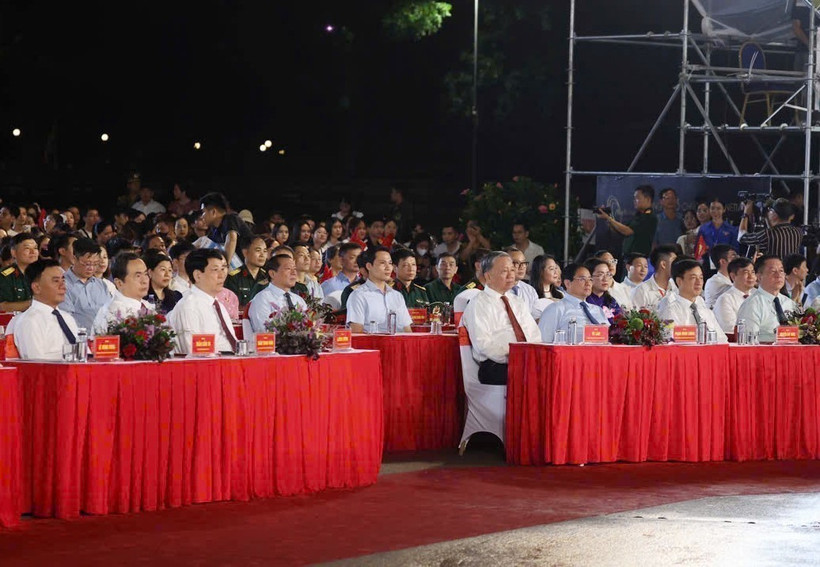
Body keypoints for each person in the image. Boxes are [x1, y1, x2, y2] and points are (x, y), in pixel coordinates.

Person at [462, 251, 541, 385]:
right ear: (488, 276)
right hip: (495, 365)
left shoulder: (517, 301)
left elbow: (534, 334)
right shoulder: (478, 303)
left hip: (525, 360)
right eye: (505, 271)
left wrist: (531, 355)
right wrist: (516, 357)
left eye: (512, 269)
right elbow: (483, 345)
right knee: (533, 377)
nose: (511, 275)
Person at [167, 248, 238, 353]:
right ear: (197, 275)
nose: (222, 275)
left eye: (223, 269)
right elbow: (194, 354)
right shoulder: (189, 307)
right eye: (215, 270)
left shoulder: (217, 304)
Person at [13, 259, 80, 360]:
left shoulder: (68, 318)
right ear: (36, 287)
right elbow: (36, 362)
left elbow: (82, 353)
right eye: (56, 281)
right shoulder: (30, 321)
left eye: (63, 280)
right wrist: (68, 356)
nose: (63, 286)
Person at [657, 259, 728, 343]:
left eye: (701, 278)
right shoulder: (669, 307)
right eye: (693, 278)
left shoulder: (704, 309)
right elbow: (669, 338)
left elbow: (722, 339)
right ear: (679, 281)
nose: (699, 282)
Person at [346, 247, 413, 333]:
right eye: (382, 263)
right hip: (372, 345)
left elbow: (407, 330)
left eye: (390, 263)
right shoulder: (358, 296)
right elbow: (356, 333)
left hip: (397, 344)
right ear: (369, 266)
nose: (388, 267)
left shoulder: (397, 296)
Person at [539, 263, 609, 343]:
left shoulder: (598, 310)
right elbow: (543, 343)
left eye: (590, 279)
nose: (588, 283)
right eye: (582, 279)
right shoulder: (555, 309)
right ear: (568, 283)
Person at [736, 255, 798, 344]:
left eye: (781, 271)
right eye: (773, 271)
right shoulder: (752, 305)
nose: (778, 275)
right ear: (759, 277)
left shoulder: (789, 303)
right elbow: (748, 342)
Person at [92, 252, 153, 334]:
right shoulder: (113, 313)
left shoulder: (147, 306)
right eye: (138, 276)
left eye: (146, 274)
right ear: (119, 283)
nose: (145, 281)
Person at [59, 237, 111, 331]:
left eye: (95, 264)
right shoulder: (62, 285)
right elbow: (66, 319)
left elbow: (111, 312)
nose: (91, 268)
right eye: (87, 264)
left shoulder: (101, 285)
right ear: (74, 259)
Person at [248, 254, 308, 333]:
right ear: (272, 274)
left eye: (295, 269)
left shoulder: (299, 300)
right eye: (288, 269)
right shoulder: (262, 299)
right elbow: (263, 331)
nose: (294, 273)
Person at [198, 192, 254, 270]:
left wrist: (225, 266)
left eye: (203, 212)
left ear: (213, 212)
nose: (202, 216)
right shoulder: (214, 230)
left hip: (250, 271)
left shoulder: (231, 219)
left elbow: (231, 239)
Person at [597, 185, 657, 256]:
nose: (634, 201)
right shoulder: (638, 216)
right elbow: (620, 231)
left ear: (648, 199)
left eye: (637, 198)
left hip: (639, 258)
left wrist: (609, 218)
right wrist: (608, 219)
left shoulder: (649, 217)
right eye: (634, 198)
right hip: (628, 257)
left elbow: (627, 231)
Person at [738, 198, 804, 261]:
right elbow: (775, 232)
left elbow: (741, 237)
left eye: (770, 210)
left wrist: (745, 214)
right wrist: (767, 218)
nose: (768, 212)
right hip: (790, 271)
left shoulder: (768, 234)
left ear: (775, 215)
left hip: (774, 270)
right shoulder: (798, 232)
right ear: (791, 216)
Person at [714, 257, 757, 333]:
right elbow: (730, 328)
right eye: (746, 273)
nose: (751, 277)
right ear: (733, 276)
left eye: (753, 272)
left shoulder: (757, 296)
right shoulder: (725, 299)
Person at [224, 235, 269, 307]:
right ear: (245, 253)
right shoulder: (234, 278)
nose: (262, 255)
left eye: (265, 251)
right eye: (258, 250)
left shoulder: (267, 277)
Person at [0, 232, 39, 312]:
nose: (33, 252)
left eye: (35, 248)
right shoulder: (5, 276)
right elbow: (3, 306)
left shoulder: (43, 273)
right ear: (13, 252)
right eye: (27, 248)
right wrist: (35, 304)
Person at [631, 245, 678, 311]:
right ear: (663, 264)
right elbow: (635, 319)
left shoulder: (677, 287)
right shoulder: (641, 291)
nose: (677, 265)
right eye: (674, 261)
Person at [698, 198, 739, 264]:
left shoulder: (731, 229)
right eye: (712, 208)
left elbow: (735, 249)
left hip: (725, 263)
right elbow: (698, 248)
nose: (715, 211)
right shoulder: (703, 228)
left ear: (724, 209)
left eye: (718, 208)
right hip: (707, 263)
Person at [584, 257, 622, 323]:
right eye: (600, 275)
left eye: (608, 274)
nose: (605, 279)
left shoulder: (612, 301)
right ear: (589, 277)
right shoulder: (584, 302)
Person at [529, 254, 563, 321]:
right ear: (540, 271)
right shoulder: (531, 294)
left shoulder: (560, 294)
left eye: (556, 268)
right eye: (551, 269)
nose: (556, 272)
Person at [703, 244, 738, 308]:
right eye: (733, 256)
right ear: (723, 261)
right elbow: (737, 291)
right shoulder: (714, 282)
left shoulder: (730, 280)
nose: (737, 259)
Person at [505, 247, 538, 312]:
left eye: (524, 263)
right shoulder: (497, 289)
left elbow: (535, 317)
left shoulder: (530, 290)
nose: (522, 266)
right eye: (516, 263)